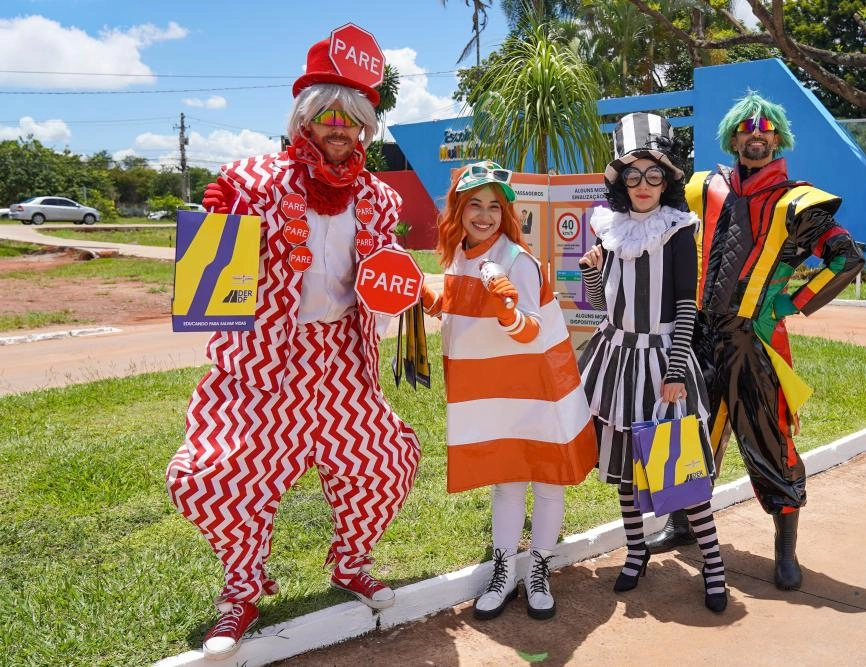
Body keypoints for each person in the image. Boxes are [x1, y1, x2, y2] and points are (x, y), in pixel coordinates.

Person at [165, 28, 421, 660]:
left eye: (352, 118)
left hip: (343, 361)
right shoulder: (253, 180)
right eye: (328, 115)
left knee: (383, 460)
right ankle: (242, 589)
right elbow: (212, 272)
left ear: (365, 128)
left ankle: (351, 562)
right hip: (266, 360)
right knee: (221, 472)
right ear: (304, 120)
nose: (340, 128)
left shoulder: (379, 198)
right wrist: (220, 217)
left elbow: (384, 275)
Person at [669, 92, 865, 590]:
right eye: (746, 129)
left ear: (778, 138)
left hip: (752, 340)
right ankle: (681, 524)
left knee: (769, 440)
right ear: (732, 138)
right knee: (689, 431)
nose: (756, 135)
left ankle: (785, 549)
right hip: (698, 336)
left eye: (766, 129)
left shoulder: (797, 201)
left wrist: (791, 302)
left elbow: (846, 257)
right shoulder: (703, 188)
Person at [420, 161, 597, 621]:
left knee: (547, 479)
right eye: (475, 205)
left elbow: (531, 329)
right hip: (497, 388)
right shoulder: (459, 256)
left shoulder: (517, 261)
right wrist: (431, 299)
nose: (484, 216)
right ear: (458, 209)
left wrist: (508, 314)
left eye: (494, 207)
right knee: (508, 479)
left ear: (506, 213)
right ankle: (504, 572)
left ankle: (538, 570)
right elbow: (463, 312)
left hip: (539, 384)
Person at [577, 113, 728, 613]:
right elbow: (600, 303)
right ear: (620, 182)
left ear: (668, 180)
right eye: (633, 175)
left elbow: (686, 305)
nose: (643, 185)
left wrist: (676, 371)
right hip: (616, 359)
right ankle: (636, 550)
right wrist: (592, 271)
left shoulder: (678, 229)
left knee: (679, 469)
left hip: (664, 361)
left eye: (654, 174)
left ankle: (713, 564)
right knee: (625, 467)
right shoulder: (607, 228)